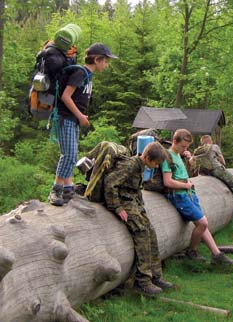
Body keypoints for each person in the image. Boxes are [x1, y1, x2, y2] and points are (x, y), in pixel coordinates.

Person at [48, 43, 118, 206]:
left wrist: (80, 116)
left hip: (72, 120)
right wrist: (80, 116)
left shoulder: (88, 75)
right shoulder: (80, 72)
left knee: (71, 154)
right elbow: (66, 96)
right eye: (106, 61)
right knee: (69, 155)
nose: (107, 65)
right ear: (96, 59)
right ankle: (55, 190)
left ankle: (68, 189)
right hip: (65, 119)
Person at [104, 141, 174, 296]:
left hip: (132, 202)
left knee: (151, 231)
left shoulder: (141, 165)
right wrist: (117, 207)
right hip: (122, 202)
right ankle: (142, 281)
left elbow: (134, 189)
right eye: (155, 163)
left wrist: (140, 205)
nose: (156, 167)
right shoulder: (130, 165)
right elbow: (110, 183)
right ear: (147, 157)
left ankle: (156, 275)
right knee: (141, 232)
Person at [162, 129, 233, 265]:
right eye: (183, 146)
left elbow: (182, 175)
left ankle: (217, 255)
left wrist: (189, 179)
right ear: (174, 141)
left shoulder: (179, 155)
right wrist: (186, 185)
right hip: (179, 196)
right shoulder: (167, 157)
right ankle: (191, 251)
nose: (185, 149)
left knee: (202, 224)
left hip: (189, 193)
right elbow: (167, 181)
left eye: (187, 147)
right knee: (202, 223)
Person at [191, 135, 233, 207]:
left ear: (202, 142)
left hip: (207, 172)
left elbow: (191, 161)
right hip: (217, 169)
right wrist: (223, 163)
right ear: (210, 141)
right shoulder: (214, 146)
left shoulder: (199, 150)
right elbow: (222, 159)